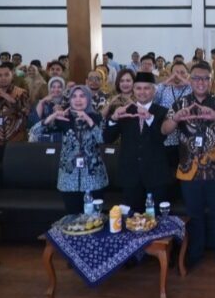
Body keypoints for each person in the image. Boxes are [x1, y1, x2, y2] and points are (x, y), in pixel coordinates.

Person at [161, 61, 215, 274]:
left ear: (211, 80)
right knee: (194, 215)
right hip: (189, 171)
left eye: (205, 78)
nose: (201, 82)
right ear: (190, 80)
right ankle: (195, 253)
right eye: (196, 78)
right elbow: (164, 129)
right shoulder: (180, 103)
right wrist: (176, 119)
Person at [103, 72, 171, 213]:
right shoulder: (125, 111)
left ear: (154, 91)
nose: (142, 92)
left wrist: (149, 118)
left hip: (156, 174)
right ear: (133, 90)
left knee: (157, 218)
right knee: (132, 218)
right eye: (138, 88)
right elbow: (107, 138)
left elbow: (161, 137)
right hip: (130, 174)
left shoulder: (162, 112)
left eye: (146, 88)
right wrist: (114, 119)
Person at [40, 86, 108, 214]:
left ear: (88, 99)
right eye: (74, 96)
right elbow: (35, 133)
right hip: (68, 179)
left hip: (93, 178)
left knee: (94, 219)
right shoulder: (64, 118)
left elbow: (103, 140)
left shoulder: (96, 117)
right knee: (72, 219)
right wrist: (52, 116)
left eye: (82, 96)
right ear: (69, 100)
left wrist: (88, 120)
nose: (78, 100)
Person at [0, 64, 31, 160]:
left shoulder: (22, 93)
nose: (3, 78)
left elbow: (27, 114)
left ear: (12, 75)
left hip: (17, 139)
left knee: (15, 165)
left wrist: (11, 100)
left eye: (6, 75)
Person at [153, 61, 192, 170]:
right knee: (169, 170)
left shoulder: (191, 89)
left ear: (188, 74)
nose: (178, 76)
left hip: (187, 138)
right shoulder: (164, 88)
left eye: (182, 73)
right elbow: (153, 100)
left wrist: (186, 81)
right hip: (168, 138)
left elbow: (200, 92)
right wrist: (167, 81)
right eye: (175, 73)